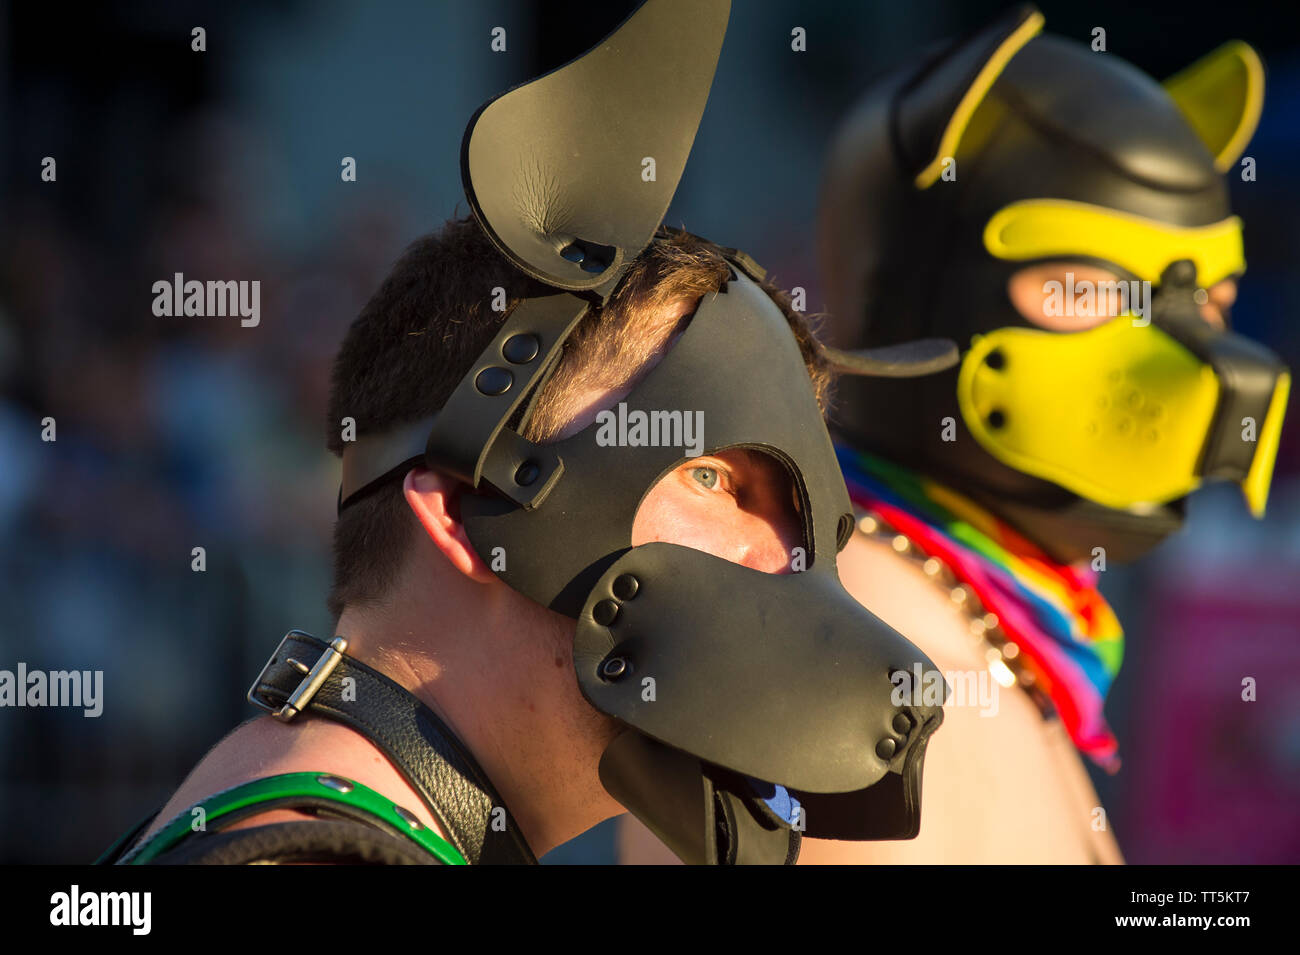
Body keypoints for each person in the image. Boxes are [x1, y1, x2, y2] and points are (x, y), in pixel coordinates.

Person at [96, 0, 959, 866]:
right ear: (473, 504)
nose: (786, 563)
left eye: (811, 524)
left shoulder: (267, 801)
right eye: (719, 479)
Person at [800, 6, 1290, 863]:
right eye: (1091, 289)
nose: (1204, 359)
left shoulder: (1017, 628)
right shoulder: (849, 657)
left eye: (1209, 301)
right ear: (910, 289)